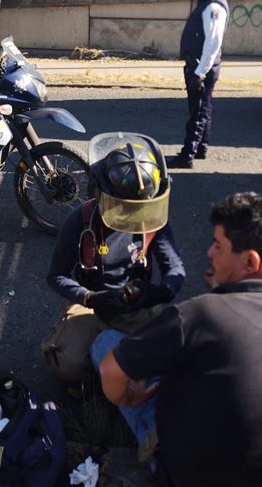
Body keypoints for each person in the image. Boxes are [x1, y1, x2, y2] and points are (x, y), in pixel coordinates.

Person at [96, 192, 262, 485]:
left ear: (250, 262)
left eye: (218, 246)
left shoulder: (201, 315)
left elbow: (110, 369)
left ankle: (150, 449)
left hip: (186, 471)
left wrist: (129, 397)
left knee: (105, 343)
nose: (209, 252)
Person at [41, 132, 185, 387]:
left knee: (175, 356)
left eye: (138, 207)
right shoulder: (81, 220)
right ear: (97, 191)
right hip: (92, 303)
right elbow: (56, 275)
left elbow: (174, 268)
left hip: (138, 305)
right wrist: (89, 297)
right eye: (122, 206)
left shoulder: (152, 219)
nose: (131, 215)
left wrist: (159, 292)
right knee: (68, 366)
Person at [168, 0, 229, 169]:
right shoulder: (208, 2)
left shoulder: (213, 6)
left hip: (201, 67)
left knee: (197, 112)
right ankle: (201, 148)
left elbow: (213, 43)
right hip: (200, 65)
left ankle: (187, 156)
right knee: (204, 108)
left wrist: (200, 73)